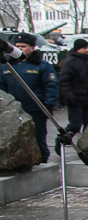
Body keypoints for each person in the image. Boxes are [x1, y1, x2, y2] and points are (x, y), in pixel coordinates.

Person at [0, 33, 58, 163]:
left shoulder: (42, 66)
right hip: (13, 111)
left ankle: (42, 161)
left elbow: (51, 86)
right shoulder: (6, 66)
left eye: (23, 46)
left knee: (38, 137)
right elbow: (2, 88)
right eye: (17, 46)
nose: (20, 49)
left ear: (32, 48)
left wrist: (48, 105)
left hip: (35, 109)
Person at [58, 38, 88, 137]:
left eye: (87, 48)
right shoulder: (70, 62)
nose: (86, 50)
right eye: (84, 48)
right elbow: (64, 82)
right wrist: (70, 97)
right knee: (75, 125)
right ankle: (62, 139)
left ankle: (86, 149)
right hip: (76, 99)